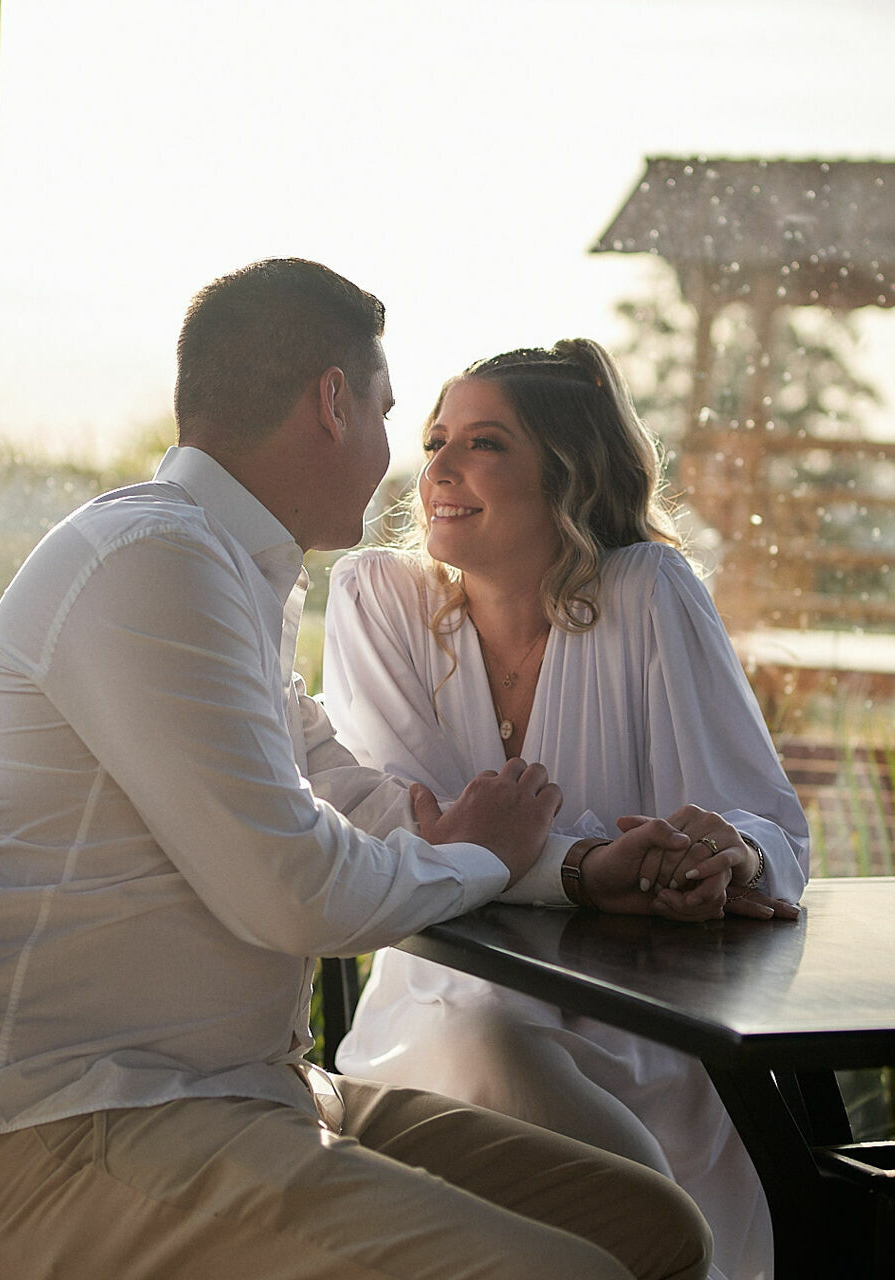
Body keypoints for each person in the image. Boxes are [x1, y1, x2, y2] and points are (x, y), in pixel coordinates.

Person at [0, 261, 721, 1280]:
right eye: (386, 412)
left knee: (656, 1230)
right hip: (57, 1136)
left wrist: (582, 866)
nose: (396, 459)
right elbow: (297, 889)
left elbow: (360, 795)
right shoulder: (152, 561)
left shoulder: (225, 574)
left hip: (236, 1094)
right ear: (332, 402)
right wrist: (482, 857)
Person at [323, 339, 811, 1280]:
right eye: (435, 440)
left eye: (486, 444)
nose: (440, 469)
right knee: (492, 1042)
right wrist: (596, 873)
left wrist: (721, 856)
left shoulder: (649, 593)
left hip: (639, 1031)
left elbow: (765, 826)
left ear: (567, 477)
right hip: (442, 1006)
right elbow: (416, 837)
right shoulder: (377, 600)